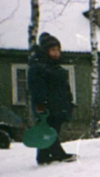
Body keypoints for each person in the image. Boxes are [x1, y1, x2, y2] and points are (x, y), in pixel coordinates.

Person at [27, 32, 76, 164]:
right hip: (47, 105)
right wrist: (40, 104)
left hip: (58, 104)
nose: (56, 53)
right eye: (53, 50)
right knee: (49, 130)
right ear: (46, 51)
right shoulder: (38, 66)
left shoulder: (56, 67)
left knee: (52, 129)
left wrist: (69, 102)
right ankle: (58, 154)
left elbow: (65, 87)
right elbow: (36, 87)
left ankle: (43, 156)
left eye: (58, 50)